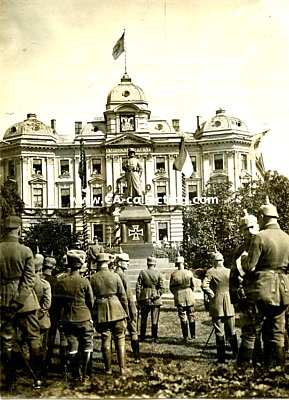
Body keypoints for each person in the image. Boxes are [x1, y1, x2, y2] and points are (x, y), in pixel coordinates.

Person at [242, 197, 289, 370]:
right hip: (283, 291)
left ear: (262, 217)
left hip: (262, 290)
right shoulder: (287, 238)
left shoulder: (260, 237)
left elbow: (249, 267)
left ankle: (245, 369)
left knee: (253, 330)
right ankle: (277, 369)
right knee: (277, 332)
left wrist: (245, 259)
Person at [0, 215, 42, 390]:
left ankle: (9, 381)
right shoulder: (26, 251)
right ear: (19, 229)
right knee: (33, 339)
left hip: (3, 300)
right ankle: (37, 378)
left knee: (6, 341)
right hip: (26, 304)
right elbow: (29, 280)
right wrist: (18, 301)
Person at [57, 250, 94, 383]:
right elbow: (90, 301)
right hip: (83, 317)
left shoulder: (62, 282)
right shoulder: (84, 282)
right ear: (80, 264)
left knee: (72, 345)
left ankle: (75, 375)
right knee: (87, 344)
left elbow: (59, 303)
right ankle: (86, 375)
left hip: (68, 318)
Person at [229, 210, 260, 367]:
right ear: (241, 231)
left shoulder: (264, 243)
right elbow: (233, 276)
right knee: (249, 330)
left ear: (258, 226)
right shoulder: (240, 250)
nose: (248, 232)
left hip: (263, 293)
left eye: (251, 228)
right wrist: (235, 299)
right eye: (245, 229)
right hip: (247, 296)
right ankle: (248, 364)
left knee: (267, 330)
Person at [90, 253, 129, 375]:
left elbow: (91, 299)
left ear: (97, 263)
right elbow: (123, 296)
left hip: (101, 310)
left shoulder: (93, 278)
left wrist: (93, 314)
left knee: (105, 338)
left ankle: (108, 369)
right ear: (108, 262)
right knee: (120, 338)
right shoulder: (115, 276)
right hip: (117, 308)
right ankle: (122, 368)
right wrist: (126, 312)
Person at [202, 250, 238, 363]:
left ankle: (221, 359)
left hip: (217, 303)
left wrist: (212, 294)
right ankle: (235, 354)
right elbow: (237, 284)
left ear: (214, 261)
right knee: (232, 330)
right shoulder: (229, 271)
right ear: (222, 261)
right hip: (229, 302)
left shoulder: (211, 272)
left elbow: (204, 285)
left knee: (219, 331)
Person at [115, 252, 140, 362]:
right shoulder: (124, 276)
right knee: (133, 332)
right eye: (126, 261)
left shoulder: (113, 274)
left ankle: (118, 357)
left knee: (117, 334)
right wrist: (133, 312)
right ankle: (136, 357)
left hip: (116, 309)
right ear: (120, 263)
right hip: (126, 309)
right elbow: (129, 297)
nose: (128, 264)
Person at [136, 256, 165, 342]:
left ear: (147, 263)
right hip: (156, 299)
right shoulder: (158, 273)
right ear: (155, 264)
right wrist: (157, 295)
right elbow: (162, 288)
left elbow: (138, 287)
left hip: (144, 298)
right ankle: (154, 337)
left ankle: (142, 336)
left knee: (143, 318)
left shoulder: (142, 273)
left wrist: (139, 299)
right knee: (155, 319)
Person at [33, 252, 52, 382]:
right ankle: (39, 372)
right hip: (41, 318)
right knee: (41, 345)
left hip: (26, 317)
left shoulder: (25, 282)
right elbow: (47, 303)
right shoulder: (44, 284)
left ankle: (26, 369)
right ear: (40, 268)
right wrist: (40, 313)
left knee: (26, 343)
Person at [170, 256, 196, 343]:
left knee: (182, 316)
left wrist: (176, 293)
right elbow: (193, 286)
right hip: (189, 294)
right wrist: (189, 291)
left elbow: (171, 287)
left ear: (177, 264)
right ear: (184, 263)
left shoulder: (174, 274)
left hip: (179, 295)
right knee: (191, 315)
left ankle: (185, 337)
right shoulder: (189, 273)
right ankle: (193, 335)